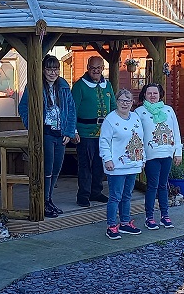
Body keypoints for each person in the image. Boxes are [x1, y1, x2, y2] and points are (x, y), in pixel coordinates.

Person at [18, 54, 77, 218]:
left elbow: (71, 110)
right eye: (49, 69)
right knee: (47, 168)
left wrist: (69, 132)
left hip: (61, 134)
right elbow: (23, 107)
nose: (53, 72)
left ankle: (49, 199)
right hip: (46, 133)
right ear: (43, 70)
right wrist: (33, 127)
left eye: (55, 69)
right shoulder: (35, 86)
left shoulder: (63, 86)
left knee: (57, 168)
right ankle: (42, 202)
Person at [134, 83, 183, 230]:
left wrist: (178, 152)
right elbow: (137, 136)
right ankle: (149, 217)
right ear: (144, 95)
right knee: (152, 186)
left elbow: (176, 131)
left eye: (155, 93)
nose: (152, 96)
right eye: (149, 93)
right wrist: (140, 156)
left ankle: (165, 216)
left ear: (160, 94)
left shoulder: (168, 110)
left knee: (163, 185)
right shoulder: (139, 112)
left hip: (166, 153)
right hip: (150, 155)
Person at [99, 89, 145, 239]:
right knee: (115, 197)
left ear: (132, 103)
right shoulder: (110, 120)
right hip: (116, 165)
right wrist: (107, 159)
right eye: (122, 100)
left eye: (128, 101)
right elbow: (104, 141)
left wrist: (141, 159)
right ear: (116, 102)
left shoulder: (135, 118)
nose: (125, 104)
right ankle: (111, 225)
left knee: (127, 195)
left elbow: (140, 140)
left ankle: (125, 222)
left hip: (132, 163)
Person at [72, 56, 116, 207]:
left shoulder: (107, 85)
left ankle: (96, 192)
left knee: (99, 164)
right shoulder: (79, 86)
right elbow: (73, 111)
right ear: (88, 68)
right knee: (85, 165)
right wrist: (74, 131)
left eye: (99, 68)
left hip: (104, 133)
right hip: (85, 132)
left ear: (103, 68)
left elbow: (114, 107)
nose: (96, 71)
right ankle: (83, 195)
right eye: (93, 68)